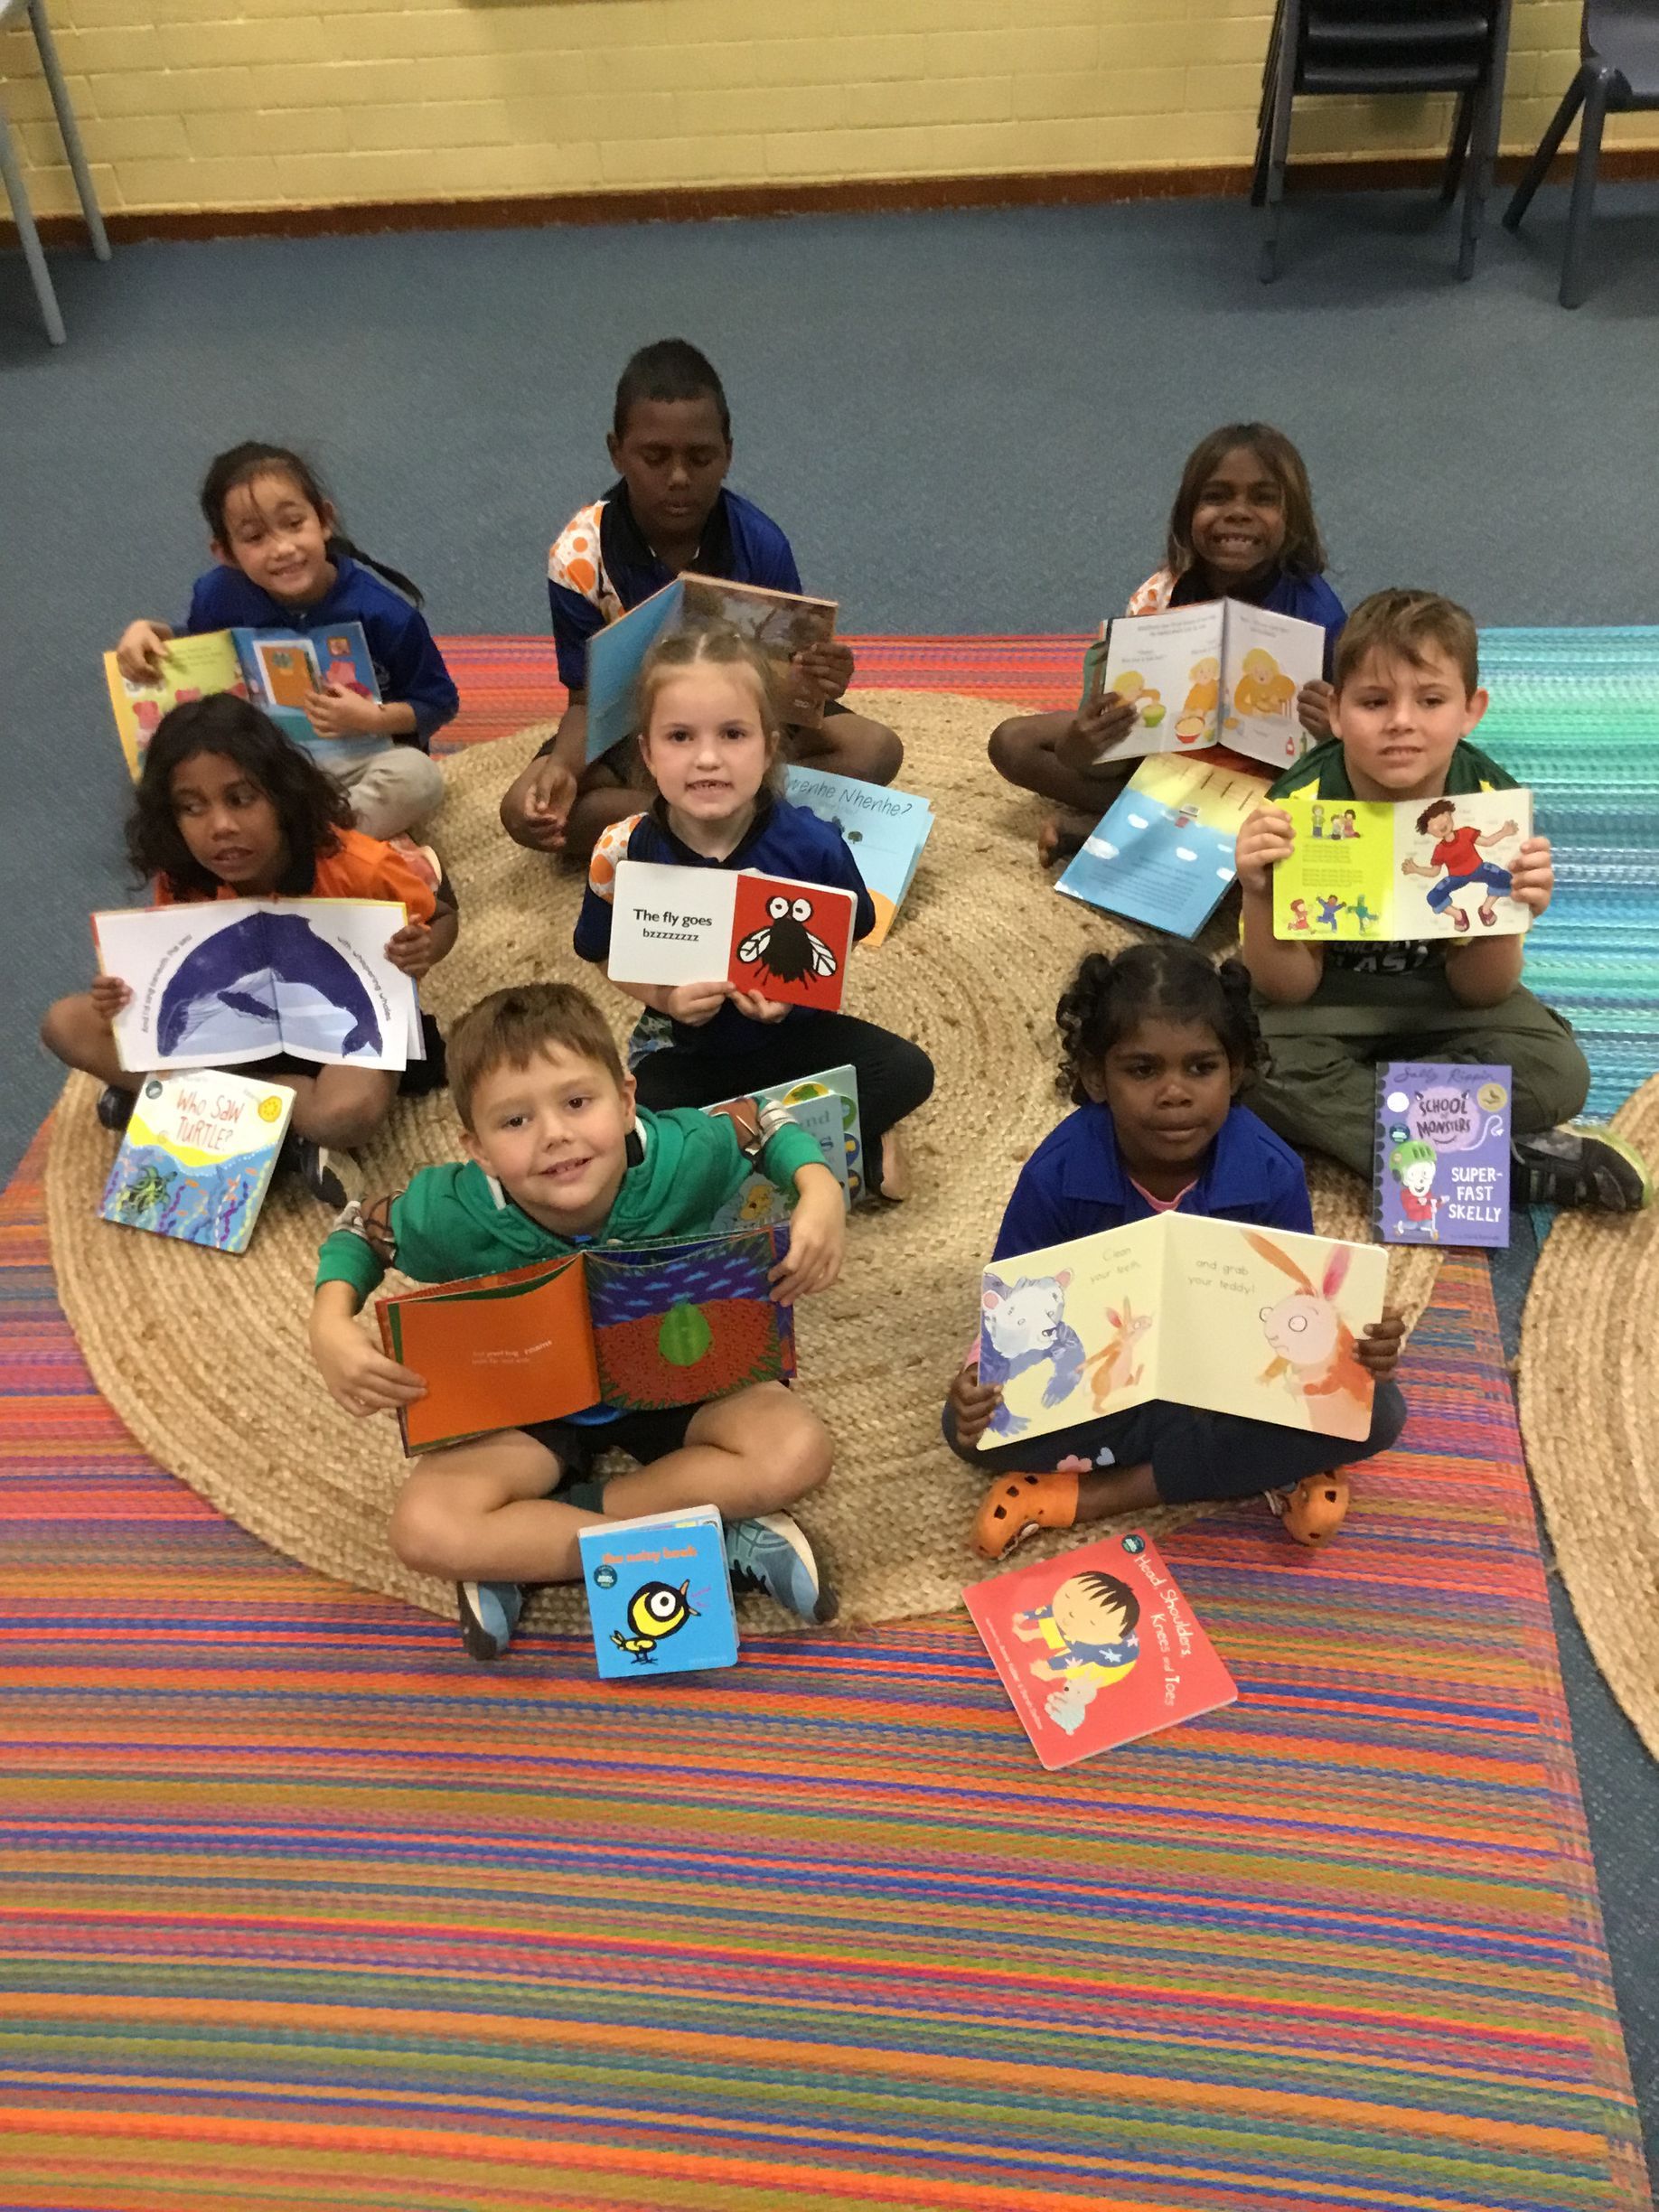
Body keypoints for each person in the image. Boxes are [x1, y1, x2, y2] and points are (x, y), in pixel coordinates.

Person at [308, 980, 847, 1661]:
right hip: (529, 1398)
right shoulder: (457, 1208)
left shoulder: (681, 1153)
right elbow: (364, 1230)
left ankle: (528, 1553)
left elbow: (765, 1121)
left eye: (577, 1102)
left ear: (626, 1101)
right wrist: (328, 1322)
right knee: (424, 1530)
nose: (555, 1135)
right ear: (474, 1147)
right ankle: (713, 1531)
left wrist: (818, 1187)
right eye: (514, 1122)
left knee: (796, 1448)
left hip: (681, 1373)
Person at [943, 944, 1407, 1553]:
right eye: (1141, 1070)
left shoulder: (1271, 1172)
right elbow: (1011, 1304)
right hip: (1109, 1384)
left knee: (1380, 1411)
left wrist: (1357, 1345)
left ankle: (1096, 1493)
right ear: (1093, 1076)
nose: (1174, 1093)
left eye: (1201, 1067)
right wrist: (980, 1378)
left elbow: (1301, 1316)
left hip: (1227, 1379)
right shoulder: (1056, 1174)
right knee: (967, 1431)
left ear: (1236, 1071)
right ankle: (1266, 1466)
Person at [1236, 588, 1652, 1211]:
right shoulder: (1298, 807)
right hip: (1325, 1002)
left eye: (1430, 701)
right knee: (1241, 1065)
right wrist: (1258, 894)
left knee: (1559, 1072)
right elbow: (1287, 987)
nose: (1401, 721)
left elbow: (1481, 990)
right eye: (1374, 702)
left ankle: (1389, 1129)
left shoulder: (1490, 803)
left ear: (1470, 710)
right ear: (1338, 712)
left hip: (1445, 1005)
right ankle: (1489, 1155)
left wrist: (1506, 918)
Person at [500, 338, 904, 864]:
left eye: (700, 457)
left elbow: (786, 690)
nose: (678, 478)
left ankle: (674, 825)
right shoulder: (579, 556)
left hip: (744, 729)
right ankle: (738, 819)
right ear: (616, 451)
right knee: (522, 809)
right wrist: (561, 768)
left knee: (875, 749)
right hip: (637, 738)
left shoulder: (759, 542)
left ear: (728, 454)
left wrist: (821, 677)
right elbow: (583, 702)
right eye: (654, 457)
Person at [41, 695, 456, 1206]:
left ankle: (188, 1102)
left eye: (240, 799)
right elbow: (174, 976)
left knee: (347, 1115)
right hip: (228, 1036)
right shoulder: (184, 877)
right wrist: (120, 998)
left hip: (337, 1038)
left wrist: (424, 949)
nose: (220, 827)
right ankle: (285, 1134)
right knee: (66, 1023)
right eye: (192, 808)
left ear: (282, 796)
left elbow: (440, 916)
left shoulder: (356, 863)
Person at [573, 623, 934, 1202]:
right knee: (630, 1141)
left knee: (910, 1070)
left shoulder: (813, 844)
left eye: (733, 734)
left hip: (795, 1039)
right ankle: (820, 1133)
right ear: (647, 751)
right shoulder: (623, 848)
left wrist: (792, 989)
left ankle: (790, 1133)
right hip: (684, 1051)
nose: (708, 758)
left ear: (768, 746)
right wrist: (664, 999)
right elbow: (601, 952)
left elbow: (848, 929)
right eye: (680, 736)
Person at [989, 423, 1346, 864]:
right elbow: (1103, 750)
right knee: (1013, 742)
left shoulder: (1321, 617)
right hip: (1167, 756)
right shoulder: (1161, 595)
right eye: (1216, 496)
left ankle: (1122, 831)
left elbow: (1347, 757)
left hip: (1257, 787)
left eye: (1263, 498)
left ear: (1293, 519)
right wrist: (1084, 742)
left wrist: (1335, 732)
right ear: (1186, 514)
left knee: (1310, 827)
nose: (1237, 512)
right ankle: (1159, 829)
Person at [113, 442, 458, 843]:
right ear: (225, 552)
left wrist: (374, 719)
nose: (282, 549)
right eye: (255, 537)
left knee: (419, 779)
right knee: (172, 778)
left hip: (358, 759)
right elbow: (206, 654)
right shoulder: (218, 595)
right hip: (261, 760)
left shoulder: (385, 614)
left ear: (324, 520)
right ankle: (300, 834)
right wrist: (152, 633)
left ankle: (305, 841)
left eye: (294, 524)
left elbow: (438, 702)